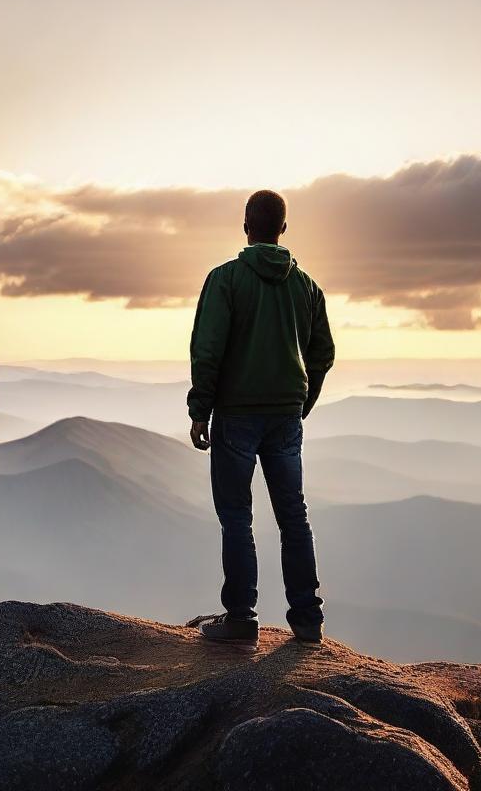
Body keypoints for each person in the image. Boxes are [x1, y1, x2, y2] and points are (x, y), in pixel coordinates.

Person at [187, 190, 334, 648]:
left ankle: (241, 620)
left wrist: (200, 411)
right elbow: (323, 354)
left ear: (245, 224)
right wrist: (301, 401)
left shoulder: (226, 281)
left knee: (236, 517)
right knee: (294, 516)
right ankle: (308, 621)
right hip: (285, 417)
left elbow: (207, 351)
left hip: (237, 415)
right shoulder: (306, 287)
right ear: (283, 229)